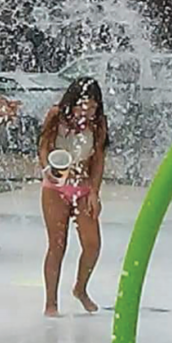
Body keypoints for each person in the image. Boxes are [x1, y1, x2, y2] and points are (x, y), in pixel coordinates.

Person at [37, 77, 110, 317]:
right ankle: (51, 303)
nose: (86, 111)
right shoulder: (56, 115)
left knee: (92, 244)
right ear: (72, 102)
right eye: (82, 105)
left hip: (83, 186)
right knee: (57, 245)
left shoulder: (98, 123)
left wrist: (95, 192)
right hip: (55, 186)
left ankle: (80, 288)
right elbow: (43, 146)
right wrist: (48, 168)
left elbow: (98, 158)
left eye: (92, 106)